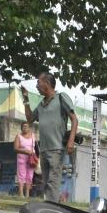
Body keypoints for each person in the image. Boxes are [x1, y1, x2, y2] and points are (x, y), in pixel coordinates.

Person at [22, 73, 78, 203]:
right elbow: (29, 119)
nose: (36, 86)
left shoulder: (61, 98)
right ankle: (56, 206)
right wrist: (26, 99)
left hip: (57, 148)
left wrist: (70, 141)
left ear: (47, 83)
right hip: (44, 149)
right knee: (47, 183)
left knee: (53, 182)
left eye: (38, 82)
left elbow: (74, 119)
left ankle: (51, 211)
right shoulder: (41, 104)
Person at [13, 121, 36, 199]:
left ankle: (27, 194)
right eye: (24, 126)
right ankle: (21, 193)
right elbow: (15, 148)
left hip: (31, 159)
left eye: (27, 126)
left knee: (30, 176)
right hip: (21, 158)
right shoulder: (18, 136)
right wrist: (25, 151)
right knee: (21, 175)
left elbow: (34, 147)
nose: (25, 128)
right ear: (21, 128)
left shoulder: (33, 135)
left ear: (29, 128)